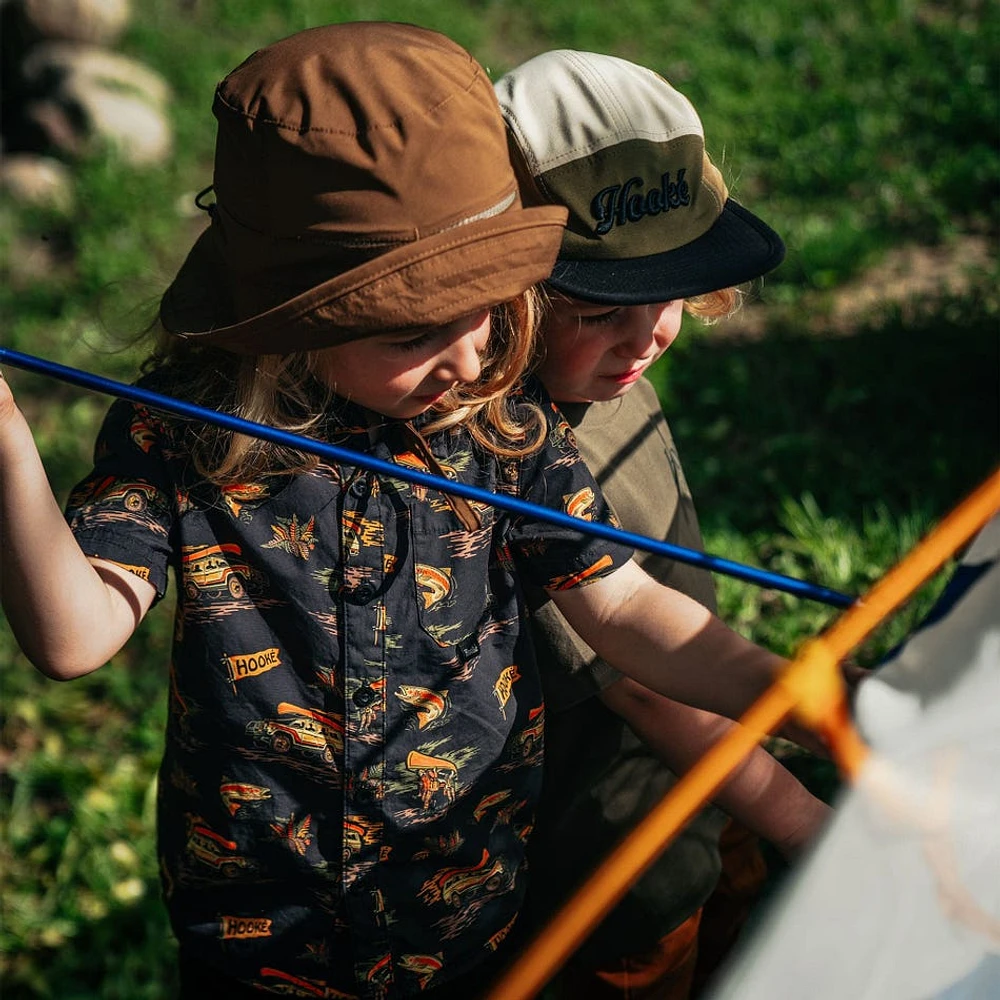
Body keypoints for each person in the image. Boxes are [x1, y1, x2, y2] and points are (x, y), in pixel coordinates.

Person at [2, 25, 804, 1000]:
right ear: (298, 316)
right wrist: (8, 442)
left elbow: (625, 609)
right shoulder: (181, 436)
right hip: (260, 948)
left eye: (488, 300)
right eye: (423, 324)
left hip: (467, 924)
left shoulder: (503, 422)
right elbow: (74, 636)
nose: (474, 354)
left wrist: (791, 686)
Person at [496, 50, 830, 998]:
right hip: (612, 855)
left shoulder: (596, 372)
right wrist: (806, 821)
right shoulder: (516, 465)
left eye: (672, 293)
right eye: (604, 309)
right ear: (508, 299)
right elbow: (642, 691)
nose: (648, 338)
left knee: (727, 911)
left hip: (716, 774)